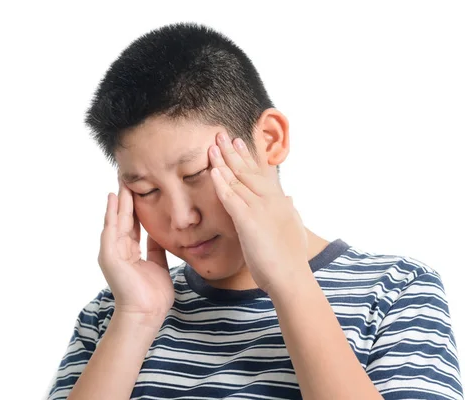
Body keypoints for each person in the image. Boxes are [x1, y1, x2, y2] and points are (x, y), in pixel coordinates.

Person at [47, 23, 463, 399]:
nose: (180, 218)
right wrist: (136, 319)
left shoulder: (396, 292)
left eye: (196, 173)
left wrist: (290, 282)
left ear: (270, 139)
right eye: (147, 189)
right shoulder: (112, 313)